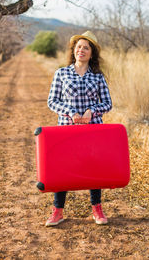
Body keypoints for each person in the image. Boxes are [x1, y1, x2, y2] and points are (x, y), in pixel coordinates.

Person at [46, 31, 112, 226]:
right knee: (63, 168)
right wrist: (69, 112)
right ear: (73, 51)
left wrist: (93, 111)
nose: (81, 50)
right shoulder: (62, 73)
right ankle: (57, 212)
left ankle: (97, 210)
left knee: (94, 168)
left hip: (93, 130)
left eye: (86, 47)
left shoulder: (98, 77)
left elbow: (108, 104)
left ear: (91, 53)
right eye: (78, 47)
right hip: (67, 129)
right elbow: (52, 101)